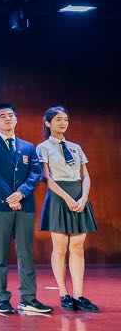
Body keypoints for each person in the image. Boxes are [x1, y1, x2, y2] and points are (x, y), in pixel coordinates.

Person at [0, 103, 52, 314]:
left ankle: (28, 298)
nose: (7, 118)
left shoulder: (28, 147)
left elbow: (35, 173)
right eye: (2, 116)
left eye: (11, 115)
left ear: (16, 119)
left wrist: (21, 193)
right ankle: (1, 299)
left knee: (25, 253)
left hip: (25, 205)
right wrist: (10, 198)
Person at [37, 106, 99, 312]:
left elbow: (86, 176)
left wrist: (83, 197)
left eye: (65, 119)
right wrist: (67, 198)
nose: (63, 123)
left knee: (78, 246)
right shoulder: (43, 147)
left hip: (78, 195)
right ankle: (64, 294)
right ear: (48, 123)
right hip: (58, 197)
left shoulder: (75, 147)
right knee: (60, 247)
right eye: (58, 119)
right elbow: (46, 178)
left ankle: (79, 295)